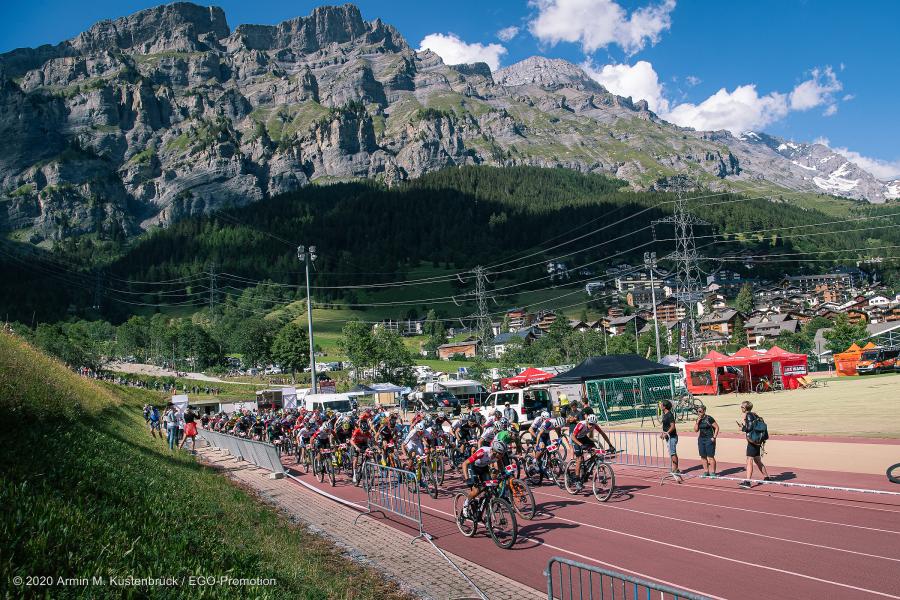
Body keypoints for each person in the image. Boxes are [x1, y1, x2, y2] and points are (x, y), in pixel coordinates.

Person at [571, 414, 616, 491]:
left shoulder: (595, 426)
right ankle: (577, 481)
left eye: (593, 425)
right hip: (576, 439)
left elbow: (603, 434)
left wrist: (610, 445)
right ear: (587, 422)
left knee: (596, 451)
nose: (592, 426)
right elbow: (572, 436)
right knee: (579, 458)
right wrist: (581, 445)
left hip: (584, 438)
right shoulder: (582, 425)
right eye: (590, 424)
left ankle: (590, 468)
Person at [737, 400, 770, 488]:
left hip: (752, 441)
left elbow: (750, 427)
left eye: (742, 407)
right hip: (757, 441)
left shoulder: (748, 415)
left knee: (749, 460)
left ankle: (747, 482)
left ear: (745, 408)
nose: (741, 408)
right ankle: (767, 477)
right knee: (757, 460)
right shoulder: (755, 414)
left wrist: (743, 428)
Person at [693, 404, 719, 477]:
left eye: (700, 411)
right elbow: (695, 430)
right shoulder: (698, 419)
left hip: (709, 439)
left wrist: (714, 437)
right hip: (701, 439)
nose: (699, 413)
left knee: (710, 456)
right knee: (703, 456)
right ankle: (706, 471)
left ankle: (713, 472)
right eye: (697, 411)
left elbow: (717, 427)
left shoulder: (709, 418)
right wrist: (697, 422)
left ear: (704, 411)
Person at [660, 400, 680, 476]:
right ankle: (674, 468)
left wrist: (667, 433)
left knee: (673, 453)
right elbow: (665, 426)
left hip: (672, 437)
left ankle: (676, 469)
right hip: (668, 437)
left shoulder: (669, 415)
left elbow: (672, 426)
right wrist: (663, 433)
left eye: (661, 405)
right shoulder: (664, 414)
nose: (660, 406)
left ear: (664, 407)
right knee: (671, 453)